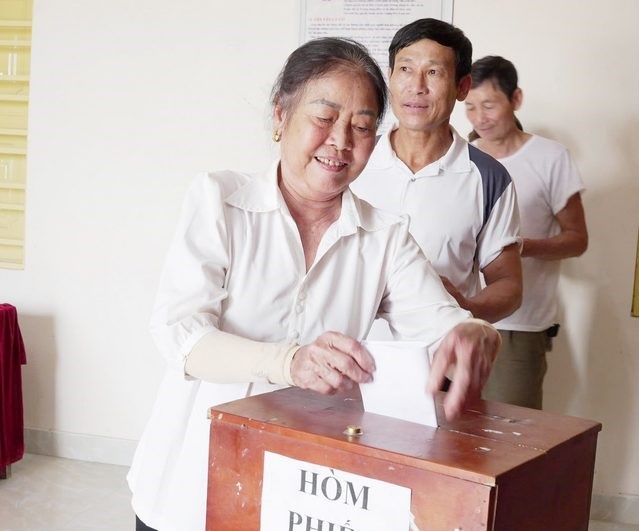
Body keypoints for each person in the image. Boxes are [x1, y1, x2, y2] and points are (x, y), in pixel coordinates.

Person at [127, 37, 501, 531]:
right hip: (191, 477)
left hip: (303, 488)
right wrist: (290, 362)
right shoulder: (221, 200)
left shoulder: (385, 236)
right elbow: (181, 334)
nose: (341, 141)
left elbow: (441, 324)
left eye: (362, 127)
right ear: (281, 115)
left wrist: (475, 332)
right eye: (324, 118)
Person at [351, 18, 523, 329]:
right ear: (390, 77)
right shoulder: (351, 158)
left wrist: (466, 309)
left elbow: (508, 284)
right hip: (346, 349)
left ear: (462, 87)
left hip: (440, 351)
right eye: (405, 69)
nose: (416, 86)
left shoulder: (489, 178)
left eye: (433, 72)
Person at [465, 55, 588, 410]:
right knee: (449, 427)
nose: (479, 118)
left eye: (489, 105)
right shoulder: (461, 157)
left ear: (515, 99)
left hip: (519, 323)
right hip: (457, 317)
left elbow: (577, 239)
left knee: (510, 430)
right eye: (470, 107)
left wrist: (518, 247)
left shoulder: (551, 157)